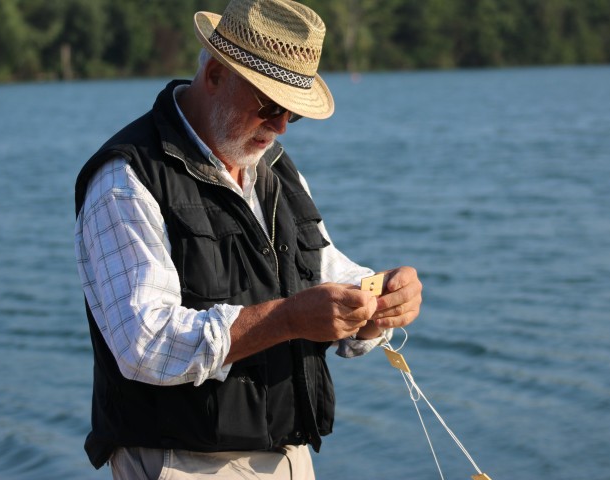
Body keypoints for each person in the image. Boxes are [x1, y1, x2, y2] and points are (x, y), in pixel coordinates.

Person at [74, 0, 422, 478]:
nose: (280, 126)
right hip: (179, 464)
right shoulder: (127, 178)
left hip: (289, 457)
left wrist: (379, 300)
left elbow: (325, 272)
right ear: (215, 75)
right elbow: (145, 345)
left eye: (292, 114)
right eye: (269, 105)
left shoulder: (275, 170)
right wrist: (289, 318)